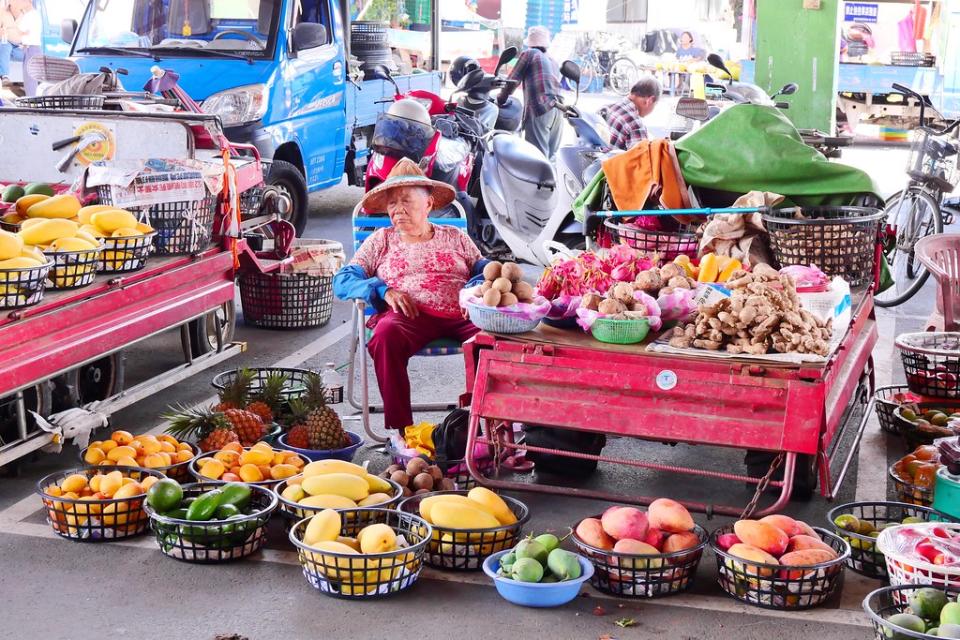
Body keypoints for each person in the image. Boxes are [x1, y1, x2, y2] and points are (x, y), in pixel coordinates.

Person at [333, 158, 489, 431]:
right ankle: (402, 433)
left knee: (494, 338)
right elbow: (343, 280)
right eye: (392, 203)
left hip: (462, 314)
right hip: (409, 317)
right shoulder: (381, 240)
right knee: (385, 334)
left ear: (428, 204)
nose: (397, 209)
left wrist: (474, 287)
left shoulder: (455, 237)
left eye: (406, 200)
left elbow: (484, 268)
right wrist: (383, 290)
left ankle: (484, 425)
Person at [497, 25, 562, 161]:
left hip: (541, 107)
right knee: (551, 158)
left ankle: (536, 183)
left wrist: (500, 99)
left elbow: (512, 81)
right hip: (558, 110)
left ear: (530, 43)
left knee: (536, 158)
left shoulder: (529, 54)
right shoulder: (552, 60)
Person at [601, 76, 661, 151]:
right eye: (655, 104)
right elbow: (642, 160)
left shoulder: (606, 108)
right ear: (650, 100)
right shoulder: (635, 124)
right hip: (611, 162)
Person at [0, 0, 40, 93]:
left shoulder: (28, 14)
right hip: (7, 43)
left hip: (21, 46)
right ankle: (4, 76)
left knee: (30, 52)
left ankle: (30, 89)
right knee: (5, 45)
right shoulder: (2, 12)